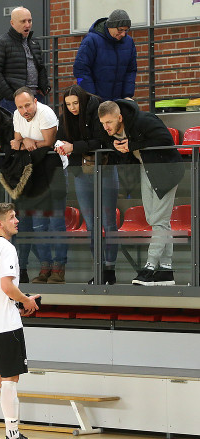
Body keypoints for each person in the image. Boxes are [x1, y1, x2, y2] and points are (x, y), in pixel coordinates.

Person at [98, 100, 184, 286]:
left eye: (109, 122)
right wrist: (118, 147)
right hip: (147, 169)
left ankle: (150, 266)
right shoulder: (111, 130)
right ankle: (166, 270)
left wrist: (132, 145)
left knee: (159, 221)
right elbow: (108, 142)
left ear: (120, 117)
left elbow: (165, 139)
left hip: (167, 171)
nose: (106, 127)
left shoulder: (144, 120)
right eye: (103, 123)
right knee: (155, 219)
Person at [0, 202, 40, 439]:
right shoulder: (7, 248)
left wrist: (18, 301)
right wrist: (26, 301)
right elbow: (6, 286)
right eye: (12, 217)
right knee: (10, 379)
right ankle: (13, 434)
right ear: (0, 223)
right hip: (7, 325)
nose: (17, 221)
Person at [55, 85, 119, 284]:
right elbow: (60, 138)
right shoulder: (65, 117)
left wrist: (74, 147)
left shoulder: (97, 109)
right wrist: (60, 145)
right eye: (68, 104)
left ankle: (110, 269)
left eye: (75, 103)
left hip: (105, 169)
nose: (72, 108)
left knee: (108, 222)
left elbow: (102, 141)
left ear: (82, 101)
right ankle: (98, 268)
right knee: (91, 225)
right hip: (81, 173)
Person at [11, 87, 68, 284]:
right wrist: (25, 141)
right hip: (33, 172)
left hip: (53, 171)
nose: (24, 110)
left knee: (56, 223)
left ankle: (58, 268)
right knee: (38, 224)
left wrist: (26, 142)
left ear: (35, 101)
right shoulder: (17, 115)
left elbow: (49, 142)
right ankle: (45, 267)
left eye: (27, 105)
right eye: (20, 107)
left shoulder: (46, 113)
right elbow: (16, 142)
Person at [0, 7, 51, 114]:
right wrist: (12, 95)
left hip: (36, 97)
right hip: (13, 101)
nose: (27, 25)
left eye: (29, 21)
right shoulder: (0, 43)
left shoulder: (34, 42)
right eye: (23, 21)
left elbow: (41, 67)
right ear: (12, 23)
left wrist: (45, 87)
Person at [73, 9, 137, 101]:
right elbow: (81, 70)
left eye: (126, 30)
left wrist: (127, 95)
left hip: (119, 101)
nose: (123, 34)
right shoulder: (91, 40)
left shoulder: (129, 42)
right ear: (110, 26)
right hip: (96, 100)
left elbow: (131, 71)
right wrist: (92, 97)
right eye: (120, 30)